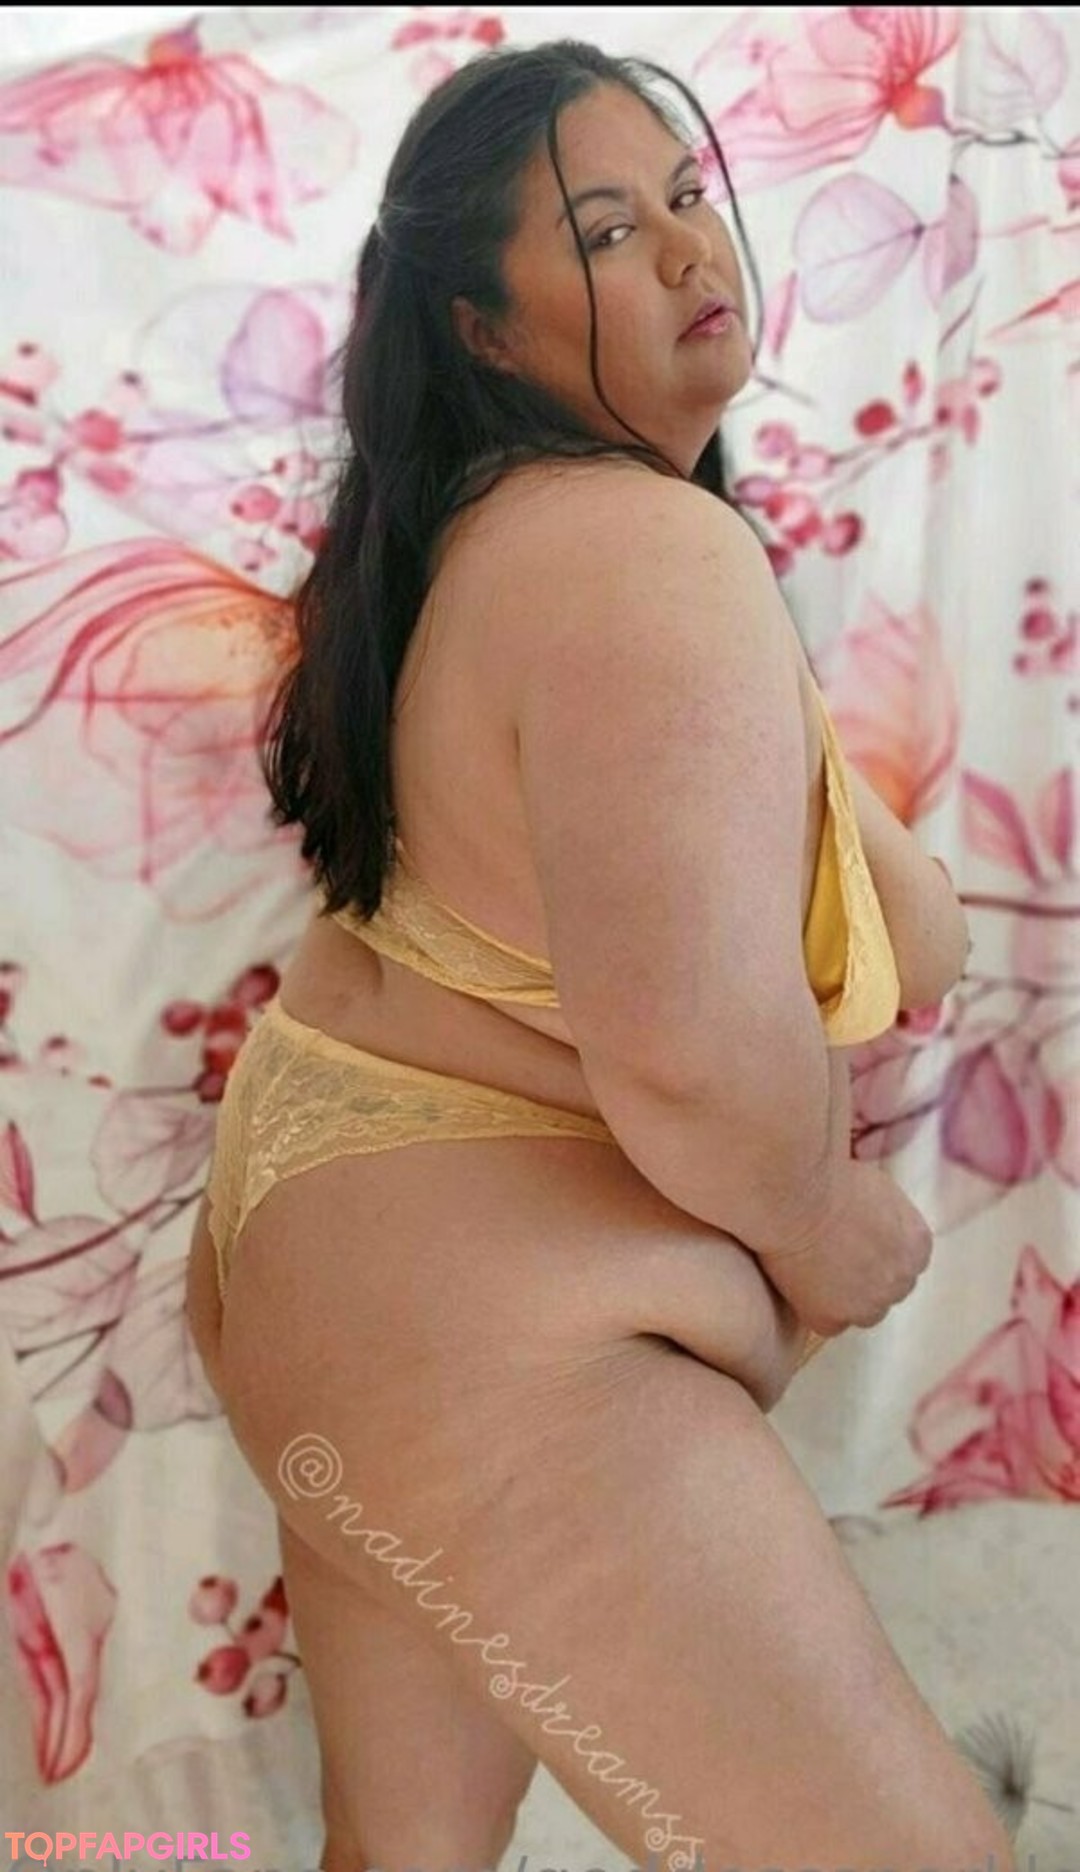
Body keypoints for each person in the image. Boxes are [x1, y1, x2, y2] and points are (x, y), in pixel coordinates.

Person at [183, 38, 1012, 1872]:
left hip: (335, 1292)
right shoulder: (638, 551)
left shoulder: (471, 544)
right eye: (609, 231)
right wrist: (822, 1219)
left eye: (691, 197)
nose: (692, 248)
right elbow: (692, 1051)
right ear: (484, 329)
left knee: (407, 1857)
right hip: (485, 1351)